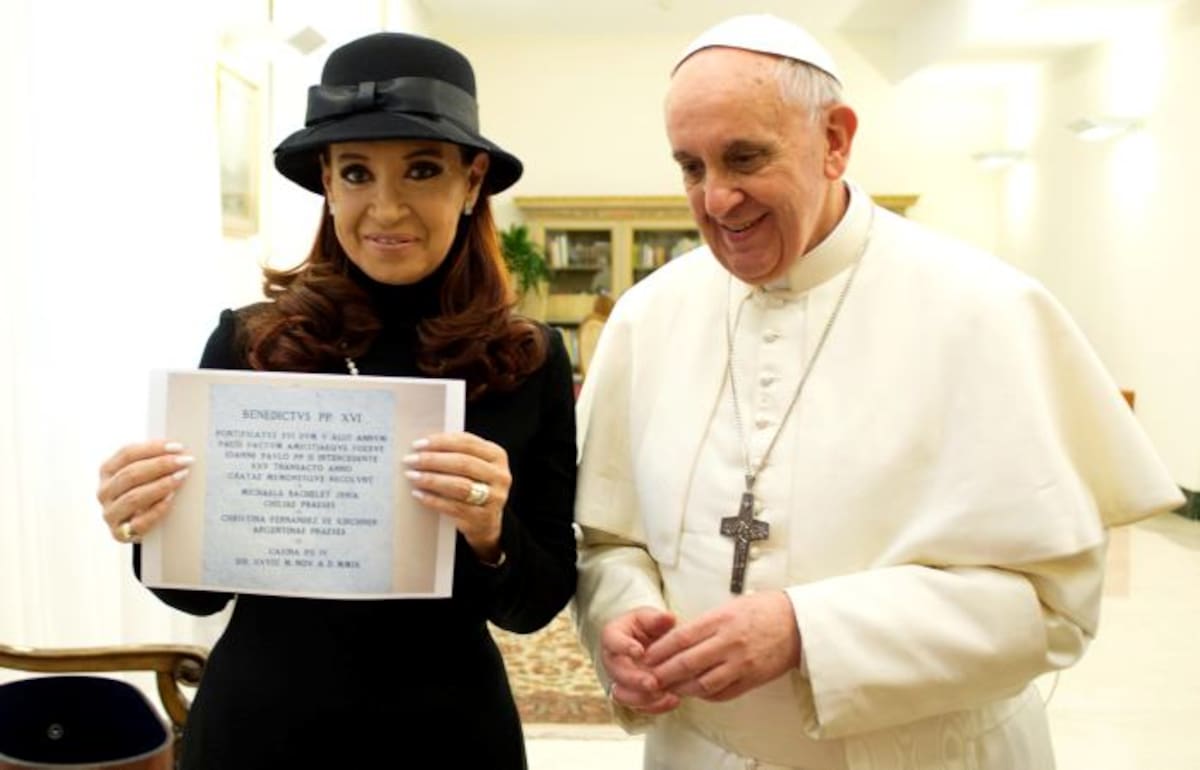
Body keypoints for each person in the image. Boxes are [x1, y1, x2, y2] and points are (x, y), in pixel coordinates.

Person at [572, 13, 1182, 770]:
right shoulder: (647, 316)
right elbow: (609, 542)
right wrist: (624, 615)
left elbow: (1049, 610)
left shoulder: (984, 309)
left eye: (745, 158)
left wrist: (807, 630)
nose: (718, 200)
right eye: (691, 167)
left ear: (834, 140)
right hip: (700, 752)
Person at [95, 32, 577, 769]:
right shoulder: (252, 345)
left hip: (449, 734)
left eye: (421, 171)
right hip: (260, 730)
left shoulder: (526, 360)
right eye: (357, 173)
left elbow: (535, 603)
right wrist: (149, 520)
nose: (386, 209)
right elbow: (194, 600)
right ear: (326, 180)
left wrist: (490, 530)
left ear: (473, 180)